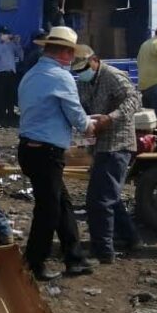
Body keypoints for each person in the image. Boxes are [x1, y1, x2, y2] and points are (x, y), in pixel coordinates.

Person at [17, 26, 97, 278]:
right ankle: (33, 263)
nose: (73, 59)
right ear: (64, 52)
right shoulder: (60, 77)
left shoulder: (31, 74)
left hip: (31, 148)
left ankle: (74, 257)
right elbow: (76, 116)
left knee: (61, 203)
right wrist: (91, 124)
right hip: (46, 151)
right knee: (49, 209)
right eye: (71, 53)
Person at [72, 46, 142, 263]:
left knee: (99, 200)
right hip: (99, 144)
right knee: (111, 196)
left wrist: (111, 118)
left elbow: (134, 99)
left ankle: (103, 251)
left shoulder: (112, 76)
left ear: (95, 60)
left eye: (84, 67)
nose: (82, 72)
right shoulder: (83, 81)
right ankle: (130, 238)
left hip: (117, 142)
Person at [0, 25, 22, 118]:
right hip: (0, 72)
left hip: (11, 72)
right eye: (2, 34)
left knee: (11, 93)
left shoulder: (11, 44)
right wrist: (3, 42)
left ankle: (11, 113)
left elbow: (20, 55)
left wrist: (17, 43)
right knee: (0, 94)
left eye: (5, 34)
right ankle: (0, 114)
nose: (4, 35)